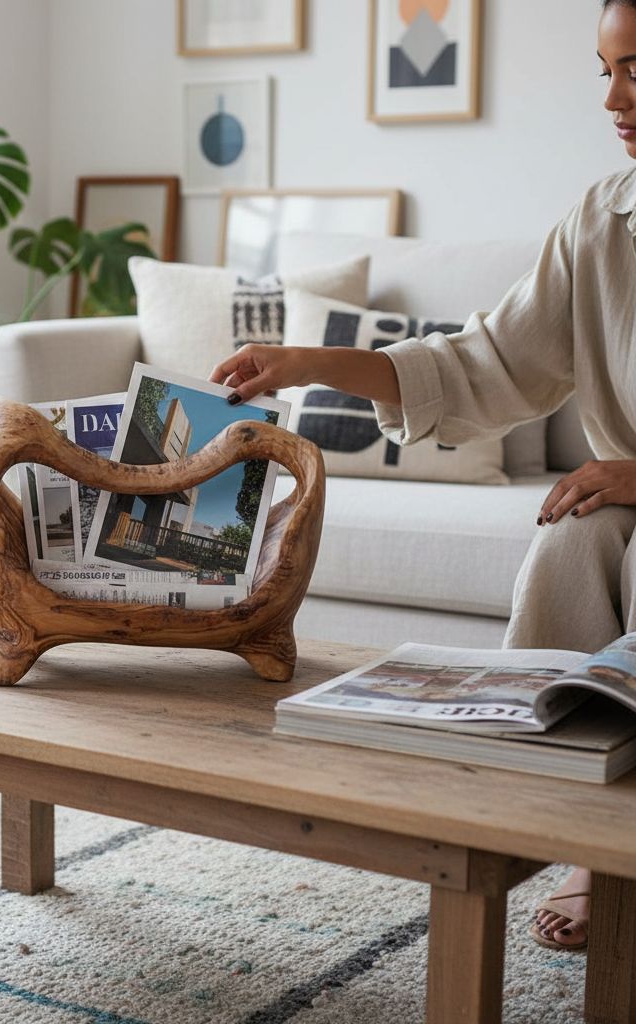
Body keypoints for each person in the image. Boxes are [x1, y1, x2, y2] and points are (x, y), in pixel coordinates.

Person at [210, 0, 636, 953]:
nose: (611, 98)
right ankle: (571, 826)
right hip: (621, 514)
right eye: (604, 70)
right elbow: (481, 365)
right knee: (574, 538)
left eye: (635, 72)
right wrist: (309, 363)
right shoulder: (603, 221)